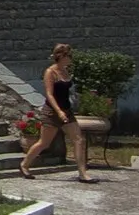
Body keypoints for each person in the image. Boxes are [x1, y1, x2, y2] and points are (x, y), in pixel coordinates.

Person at [20, 42, 93, 183]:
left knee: (79, 140)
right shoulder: (50, 72)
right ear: (61, 56)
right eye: (68, 56)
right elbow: (49, 94)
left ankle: (82, 173)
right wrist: (58, 111)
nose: (70, 59)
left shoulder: (66, 71)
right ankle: (24, 165)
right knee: (44, 143)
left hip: (67, 110)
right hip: (52, 112)